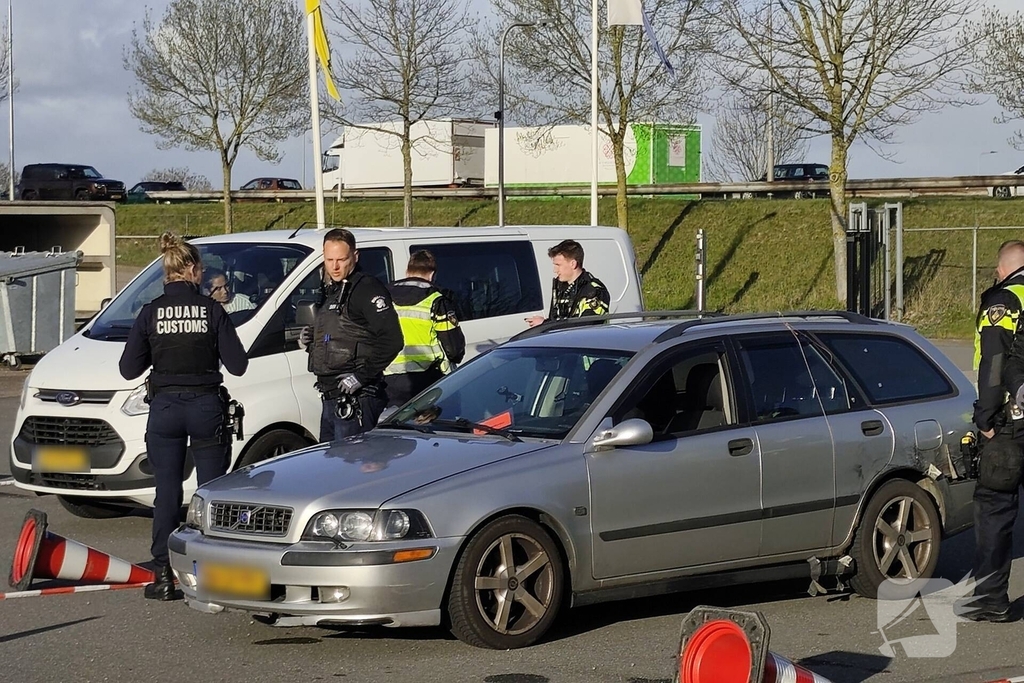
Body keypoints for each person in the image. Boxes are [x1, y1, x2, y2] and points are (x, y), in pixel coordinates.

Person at [119, 232, 248, 601]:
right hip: (206, 406)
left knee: (166, 493)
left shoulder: (149, 312)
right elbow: (237, 365)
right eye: (201, 270)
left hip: (165, 410)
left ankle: (163, 575)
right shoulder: (213, 311)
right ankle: (214, 576)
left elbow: (129, 369)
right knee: (211, 493)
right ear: (191, 270)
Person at [965, 239, 1024, 622]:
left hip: (1009, 424)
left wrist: (985, 418)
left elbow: (994, 361)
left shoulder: (1004, 301)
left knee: (995, 510)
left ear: (1003, 269)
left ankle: (990, 599)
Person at [299, 228, 403, 442]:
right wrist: (310, 340)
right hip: (330, 396)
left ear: (355, 257)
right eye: (329, 259)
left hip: (356, 399)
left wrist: (361, 377)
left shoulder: (366, 289)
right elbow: (342, 335)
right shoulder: (334, 290)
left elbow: (393, 340)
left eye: (341, 259)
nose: (335, 266)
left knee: (352, 467)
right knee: (331, 465)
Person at [383, 250, 466, 409]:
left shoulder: (385, 297)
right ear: (432, 274)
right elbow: (454, 349)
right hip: (427, 380)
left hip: (388, 381)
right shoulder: (436, 300)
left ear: (407, 272)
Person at [525, 239, 610, 328]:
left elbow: (585, 326)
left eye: (558, 265)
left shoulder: (594, 290)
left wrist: (545, 324)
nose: (554, 270)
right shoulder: (561, 287)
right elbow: (556, 319)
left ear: (573, 264)